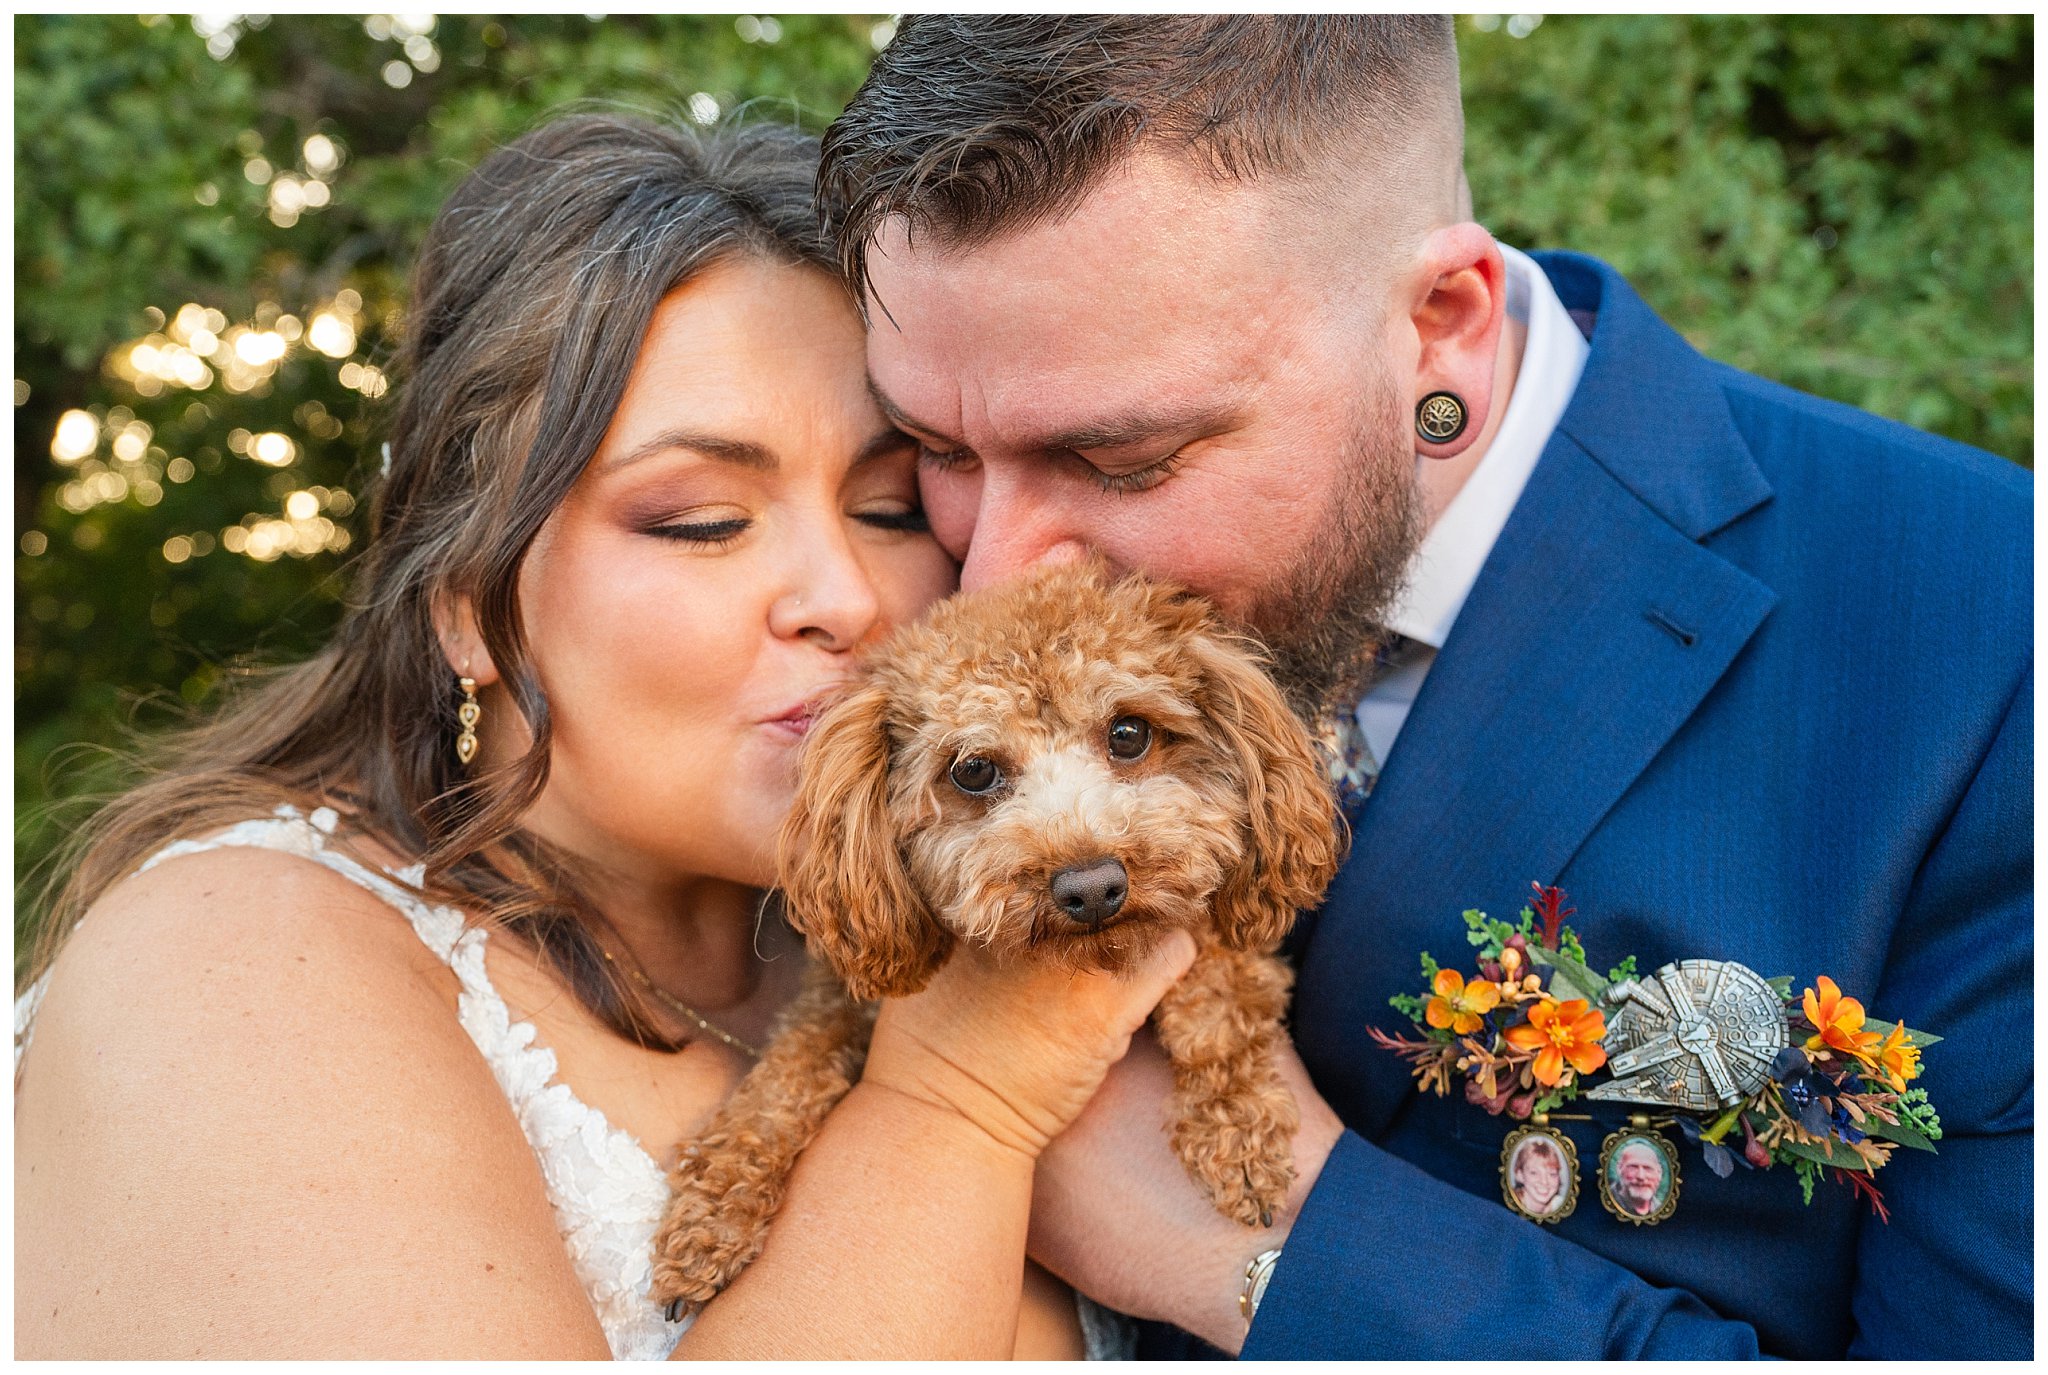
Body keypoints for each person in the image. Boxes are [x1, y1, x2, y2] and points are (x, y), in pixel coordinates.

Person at [816, 14, 2033, 1360]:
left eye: (1125, 460)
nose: (989, 570)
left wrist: (1262, 1257)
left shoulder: (1988, 635)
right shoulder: (869, 628)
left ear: (1440, 329)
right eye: (934, 447)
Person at [13, 114, 1193, 1359]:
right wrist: (957, 1105)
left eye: (892, 505)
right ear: (466, 601)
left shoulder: (944, 930)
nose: (842, 596)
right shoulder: (227, 964)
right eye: (698, 521)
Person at [1511, 1136, 1566, 1218]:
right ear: (1520, 1175)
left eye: (1552, 1174)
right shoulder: (1511, 1207)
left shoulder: (1559, 1204)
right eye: (1534, 1173)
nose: (1544, 1181)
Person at [1610, 1141, 1665, 1218]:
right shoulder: (1606, 1201)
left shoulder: (1661, 1208)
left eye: (1648, 1168)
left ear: (1659, 1173)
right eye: (1633, 1167)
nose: (1640, 1176)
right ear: (1619, 1168)